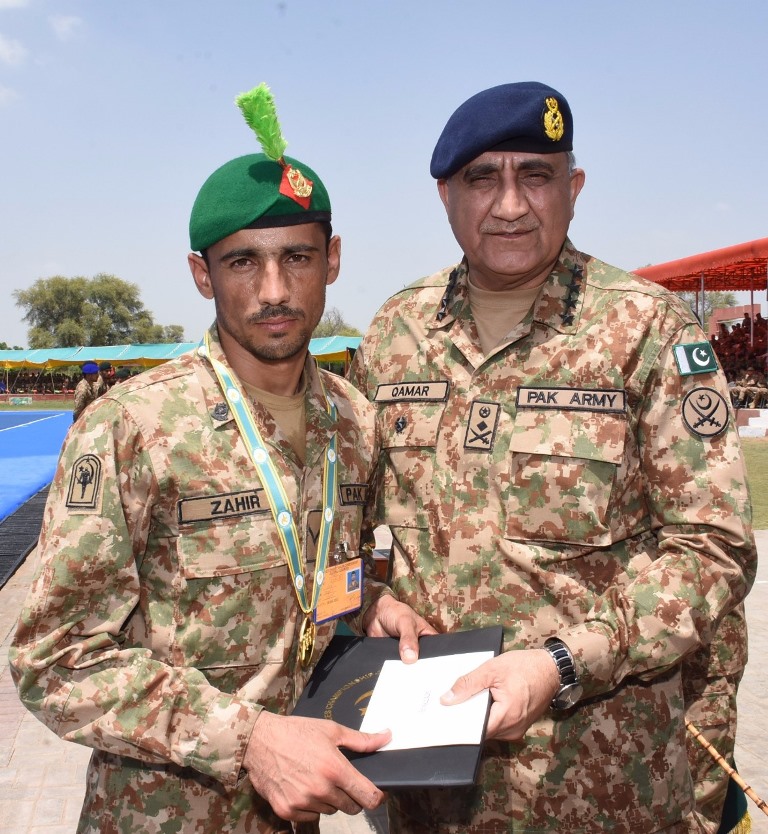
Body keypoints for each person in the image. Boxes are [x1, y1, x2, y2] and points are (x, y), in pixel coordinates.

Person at [10, 83, 430, 834]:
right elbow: (53, 658)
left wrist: (374, 606)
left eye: (297, 256)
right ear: (203, 275)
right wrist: (251, 739)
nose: (274, 290)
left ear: (331, 260)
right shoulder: (132, 428)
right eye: (243, 263)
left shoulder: (355, 421)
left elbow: (326, 583)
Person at [350, 82, 757, 833]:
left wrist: (562, 661)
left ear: (572, 189)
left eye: (534, 176)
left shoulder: (647, 330)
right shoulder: (394, 332)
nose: (510, 204)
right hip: (426, 785)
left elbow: (715, 550)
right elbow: (344, 524)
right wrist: (373, 598)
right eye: (482, 179)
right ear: (445, 194)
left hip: (599, 780)